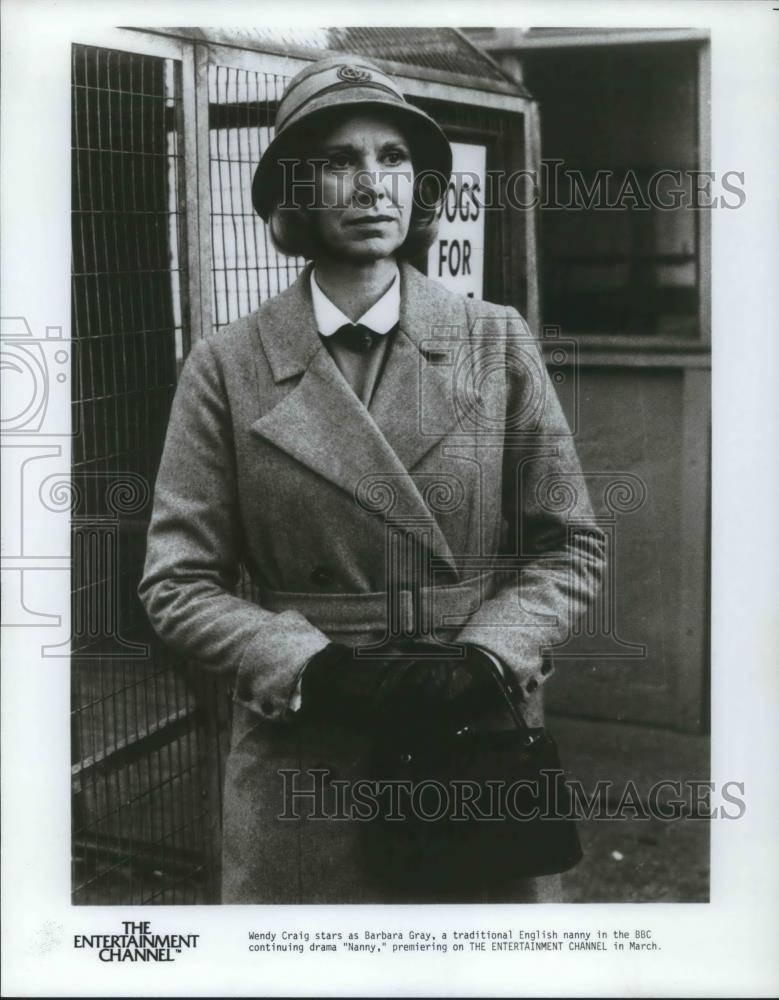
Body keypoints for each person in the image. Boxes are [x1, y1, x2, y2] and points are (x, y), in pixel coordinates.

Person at [138, 55, 605, 904]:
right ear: (294, 190)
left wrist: (488, 654)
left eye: (393, 158)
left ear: (422, 187)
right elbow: (177, 583)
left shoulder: (494, 340)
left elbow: (569, 549)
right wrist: (305, 663)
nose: (371, 184)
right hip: (309, 744)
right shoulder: (227, 366)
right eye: (337, 161)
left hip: (469, 731)